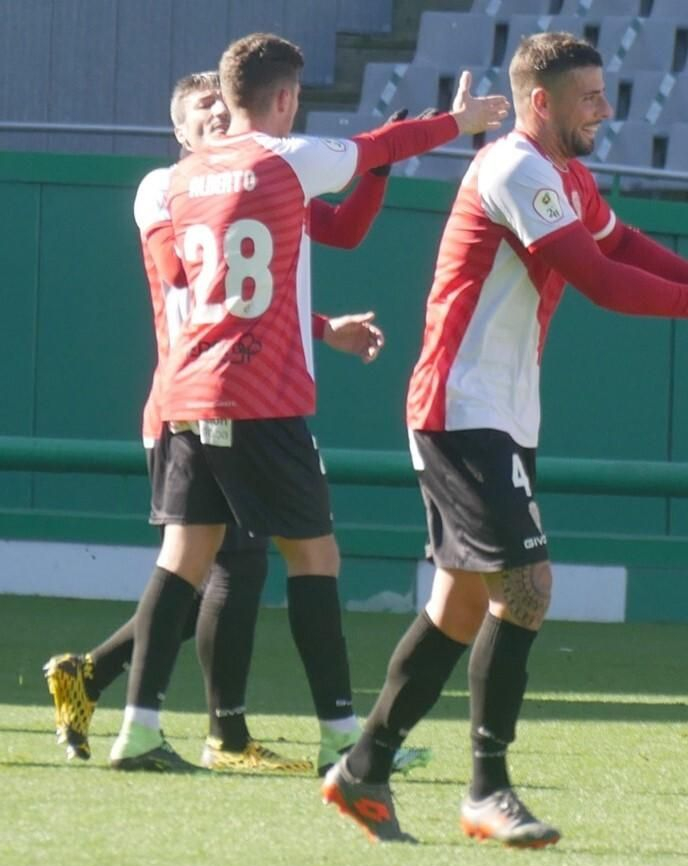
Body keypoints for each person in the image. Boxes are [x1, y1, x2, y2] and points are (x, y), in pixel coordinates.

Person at [320, 31, 688, 846]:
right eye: (590, 96)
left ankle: (363, 769)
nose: (605, 109)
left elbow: (621, 244)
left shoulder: (566, 173)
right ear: (541, 102)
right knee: (527, 587)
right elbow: (600, 280)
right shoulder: (512, 168)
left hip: (499, 410)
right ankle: (487, 789)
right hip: (463, 407)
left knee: (461, 605)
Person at [105, 32, 508, 772]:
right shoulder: (287, 159)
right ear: (285, 98)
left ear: (227, 100)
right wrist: (464, 121)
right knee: (314, 555)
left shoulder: (181, 179)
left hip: (190, 387)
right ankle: (340, 732)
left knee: (185, 556)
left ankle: (139, 727)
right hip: (261, 392)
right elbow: (384, 141)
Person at [42, 72, 428, 775]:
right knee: (226, 567)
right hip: (191, 399)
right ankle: (224, 731)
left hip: (231, 389)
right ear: (179, 132)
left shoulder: (253, 175)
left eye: (223, 105)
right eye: (201, 112)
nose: (217, 117)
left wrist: (375, 171)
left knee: (213, 567)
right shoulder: (167, 185)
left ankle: (105, 684)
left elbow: (337, 230)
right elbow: (194, 278)